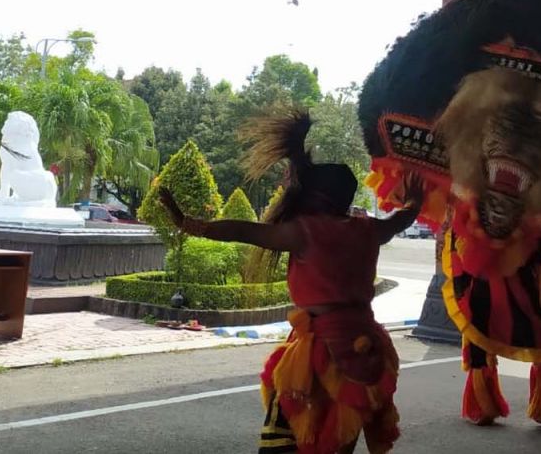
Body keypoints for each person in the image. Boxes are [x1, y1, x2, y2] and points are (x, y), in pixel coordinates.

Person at [160, 110, 422, 454]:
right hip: (366, 346)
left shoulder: (305, 233)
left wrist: (190, 224)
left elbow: (244, 230)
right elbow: (400, 220)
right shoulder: (368, 230)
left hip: (318, 350)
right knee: (341, 437)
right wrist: (416, 198)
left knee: (289, 441)